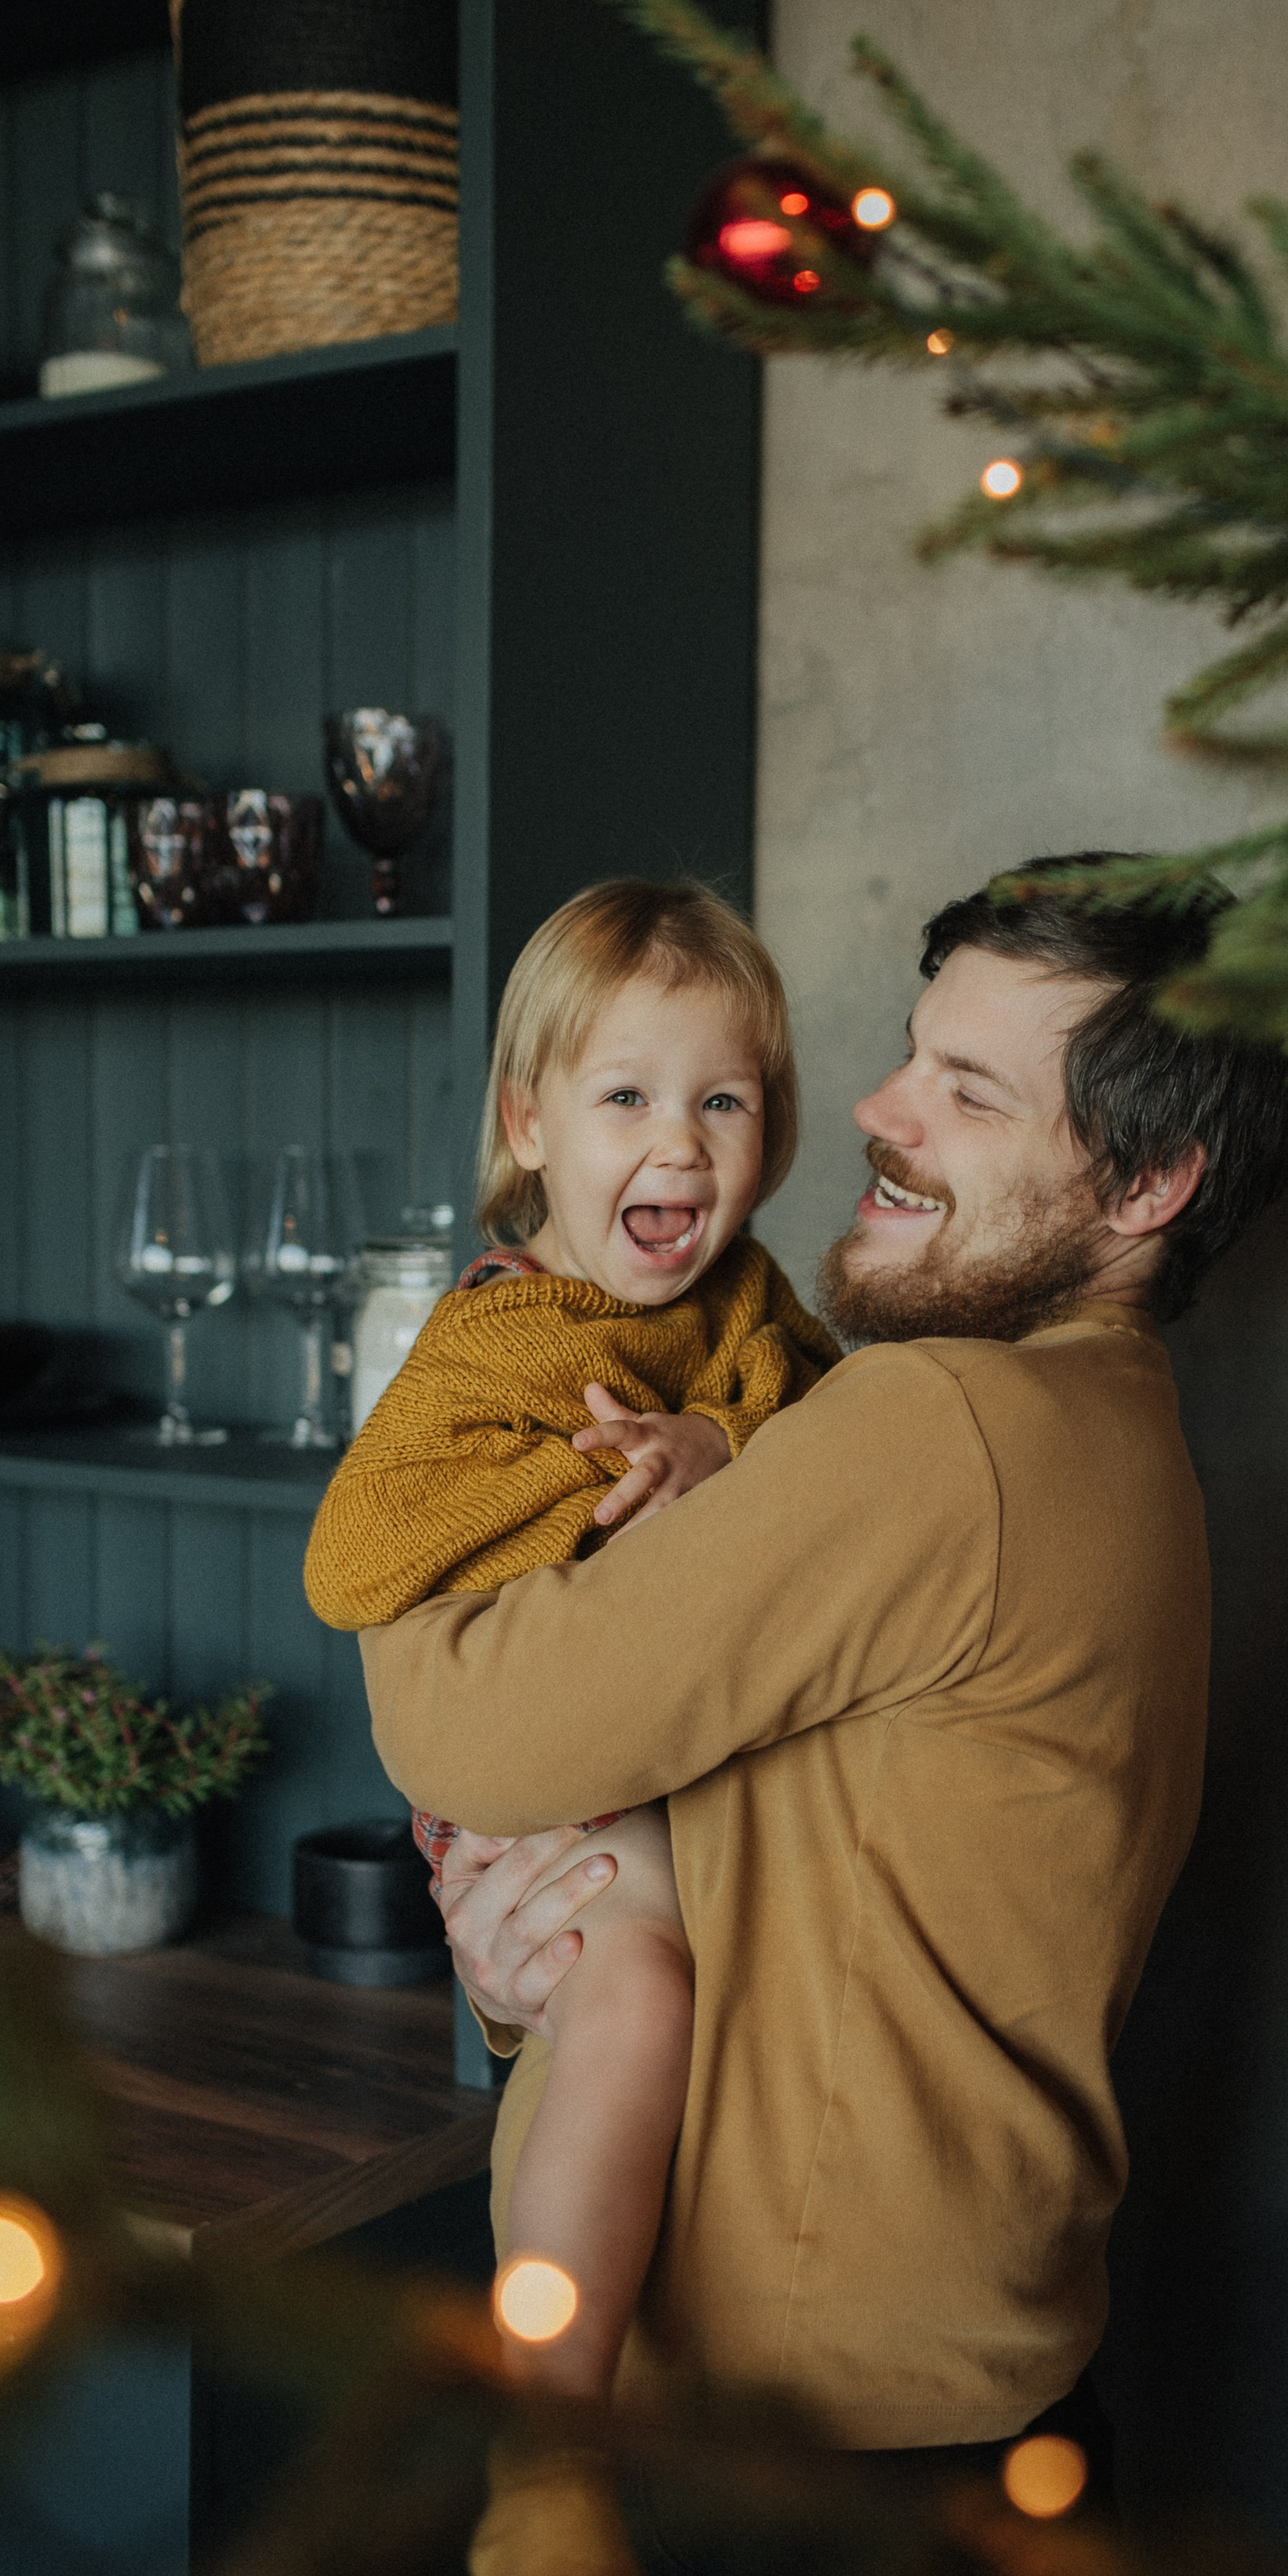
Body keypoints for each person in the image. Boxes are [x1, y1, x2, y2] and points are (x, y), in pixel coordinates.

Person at [365, 860, 1288, 2473]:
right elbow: (807, 1879)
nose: (877, 1110)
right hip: (954, 2388)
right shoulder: (1111, 1428)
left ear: (1148, 1180)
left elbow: (466, 1723)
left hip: (794, 2449)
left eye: (965, 1090)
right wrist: (540, 1962)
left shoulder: (942, 1426)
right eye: (906, 1051)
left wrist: (426, 1466)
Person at [304, 879, 835, 2399]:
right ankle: (553, 2404)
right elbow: (360, 1550)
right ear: (530, 1124)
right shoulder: (499, 1328)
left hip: (684, 1740)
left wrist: (720, 1455)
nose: (679, 1143)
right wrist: (601, 1482)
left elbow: (831, 1445)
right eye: (627, 1098)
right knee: (636, 1990)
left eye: (721, 1099)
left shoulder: (745, 1298)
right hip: (540, 1793)